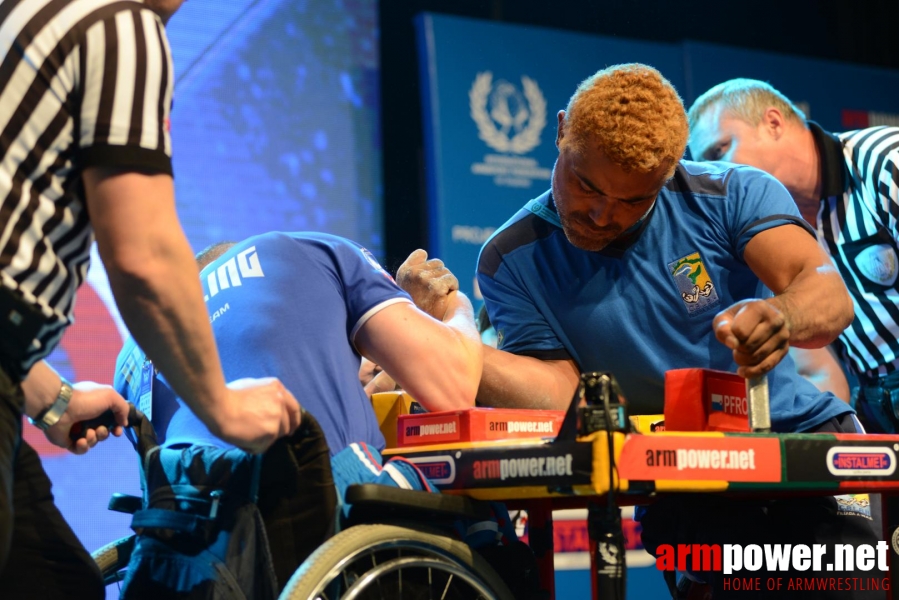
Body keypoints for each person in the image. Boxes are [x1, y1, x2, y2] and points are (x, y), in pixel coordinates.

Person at [456, 63, 876, 598]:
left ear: (669, 171)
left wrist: (782, 316)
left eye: (633, 201)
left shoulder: (732, 194)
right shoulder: (510, 259)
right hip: (686, 480)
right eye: (585, 185)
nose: (603, 215)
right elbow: (563, 394)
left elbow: (825, 292)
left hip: (805, 445)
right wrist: (457, 349)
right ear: (562, 131)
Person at [0, 1, 300, 598]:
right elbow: (144, 255)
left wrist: (50, 399)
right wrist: (222, 407)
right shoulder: (118, 23)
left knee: (56, 581)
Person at [114, 233, 483, 589]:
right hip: (331, 532)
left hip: (199, 555)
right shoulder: (312, 251)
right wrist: (456, 307)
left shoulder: (130, 360)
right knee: (484, 506)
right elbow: (455, 386)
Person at [687, 78, 899, 432]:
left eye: (719, 152)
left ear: (773, 123)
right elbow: (819, 370)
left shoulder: (885, 160)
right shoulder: (758, 237)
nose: (717, 175)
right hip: (874, 403)